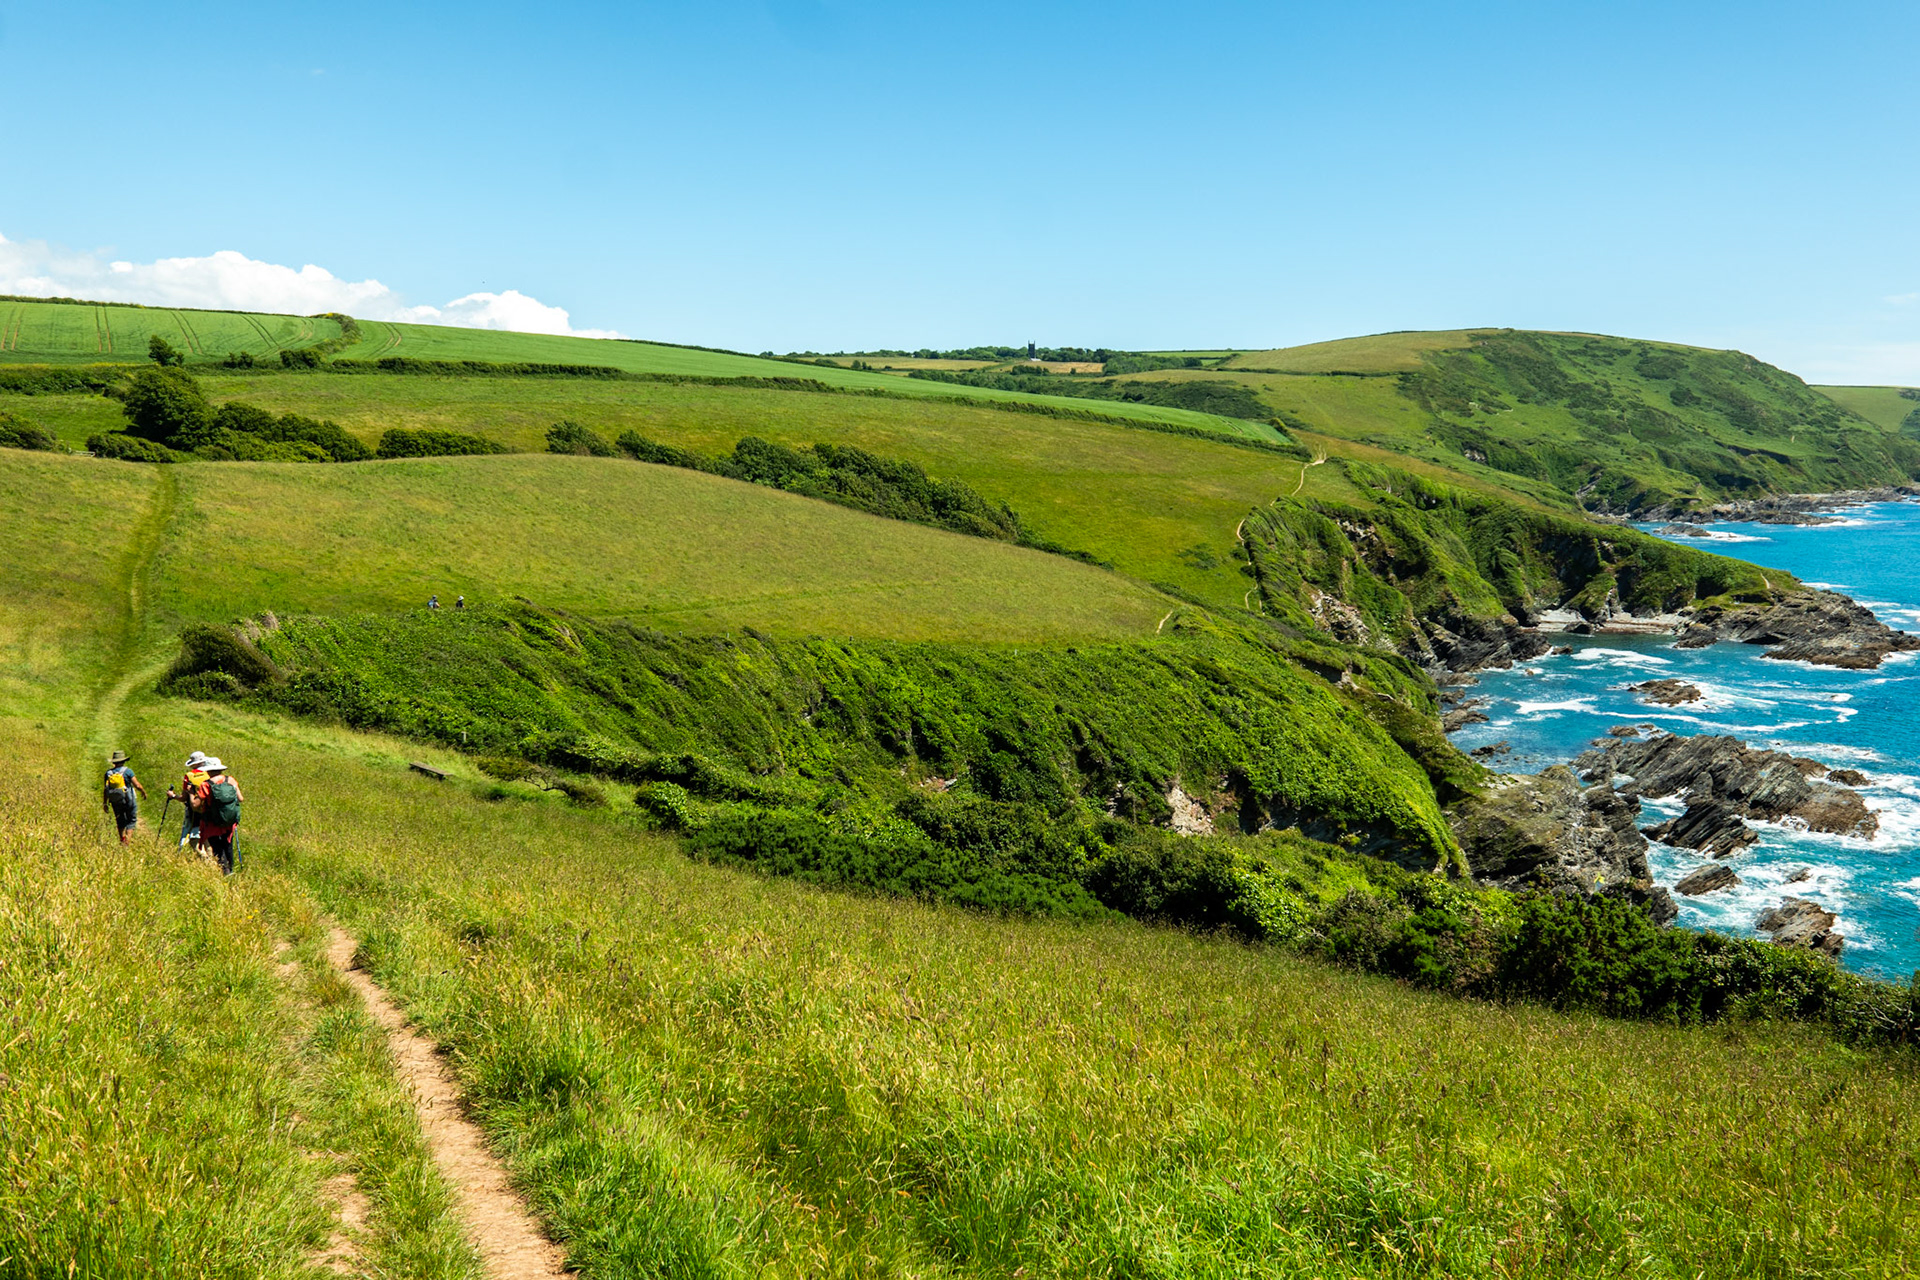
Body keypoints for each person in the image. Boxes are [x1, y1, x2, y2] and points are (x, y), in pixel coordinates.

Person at [196, 757, 245, 875]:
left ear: (208, 770)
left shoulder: (206, 785)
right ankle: (231, 869)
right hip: (229, 821)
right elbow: (240, 798)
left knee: (216, 847)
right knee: (227, 845)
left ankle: (225, 871)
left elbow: (196, 804)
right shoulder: (230, 780)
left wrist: (191, 794)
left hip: (212, 822)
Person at [101, 750, 147, 844]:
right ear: (124, 761)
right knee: (131, 820)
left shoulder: (108, 773)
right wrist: (143, 792)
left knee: (120, 820)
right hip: (129, 799)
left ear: (114, 762)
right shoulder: (128, 771)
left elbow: (106, 789)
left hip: (115, 801)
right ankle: (127, 842)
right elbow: (137, 785)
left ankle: (122, 840)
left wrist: (105, 803)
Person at [168, 750, 209, 853]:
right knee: (207, 837)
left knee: (190, 834)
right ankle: (210, 857)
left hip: (194, 811)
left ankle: (181, 852)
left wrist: (173, 796)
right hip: (210, 809)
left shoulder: (189, 776)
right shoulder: (210, 773)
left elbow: (183, 797)